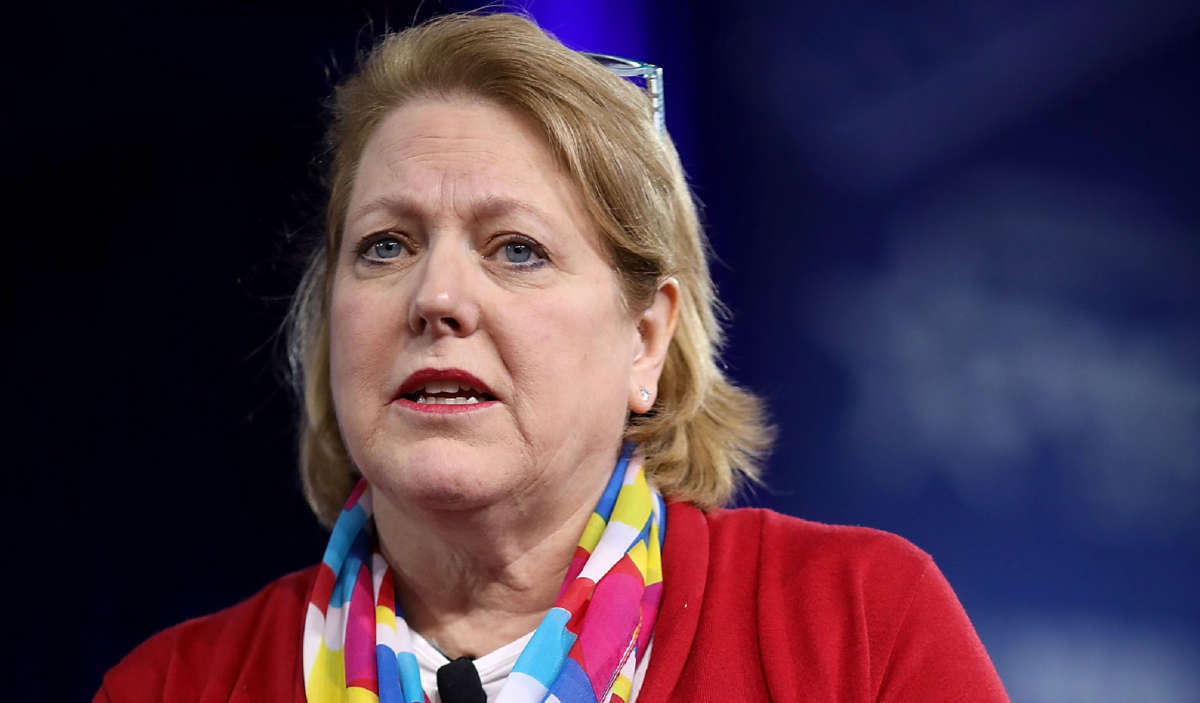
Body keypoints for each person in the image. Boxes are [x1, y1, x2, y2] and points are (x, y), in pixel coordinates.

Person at [93, 10, 1008, 703]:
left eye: (515, 249)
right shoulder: (173, 684)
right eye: (386, 245)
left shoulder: (855, 627)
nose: (437, 298)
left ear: (645, 339)